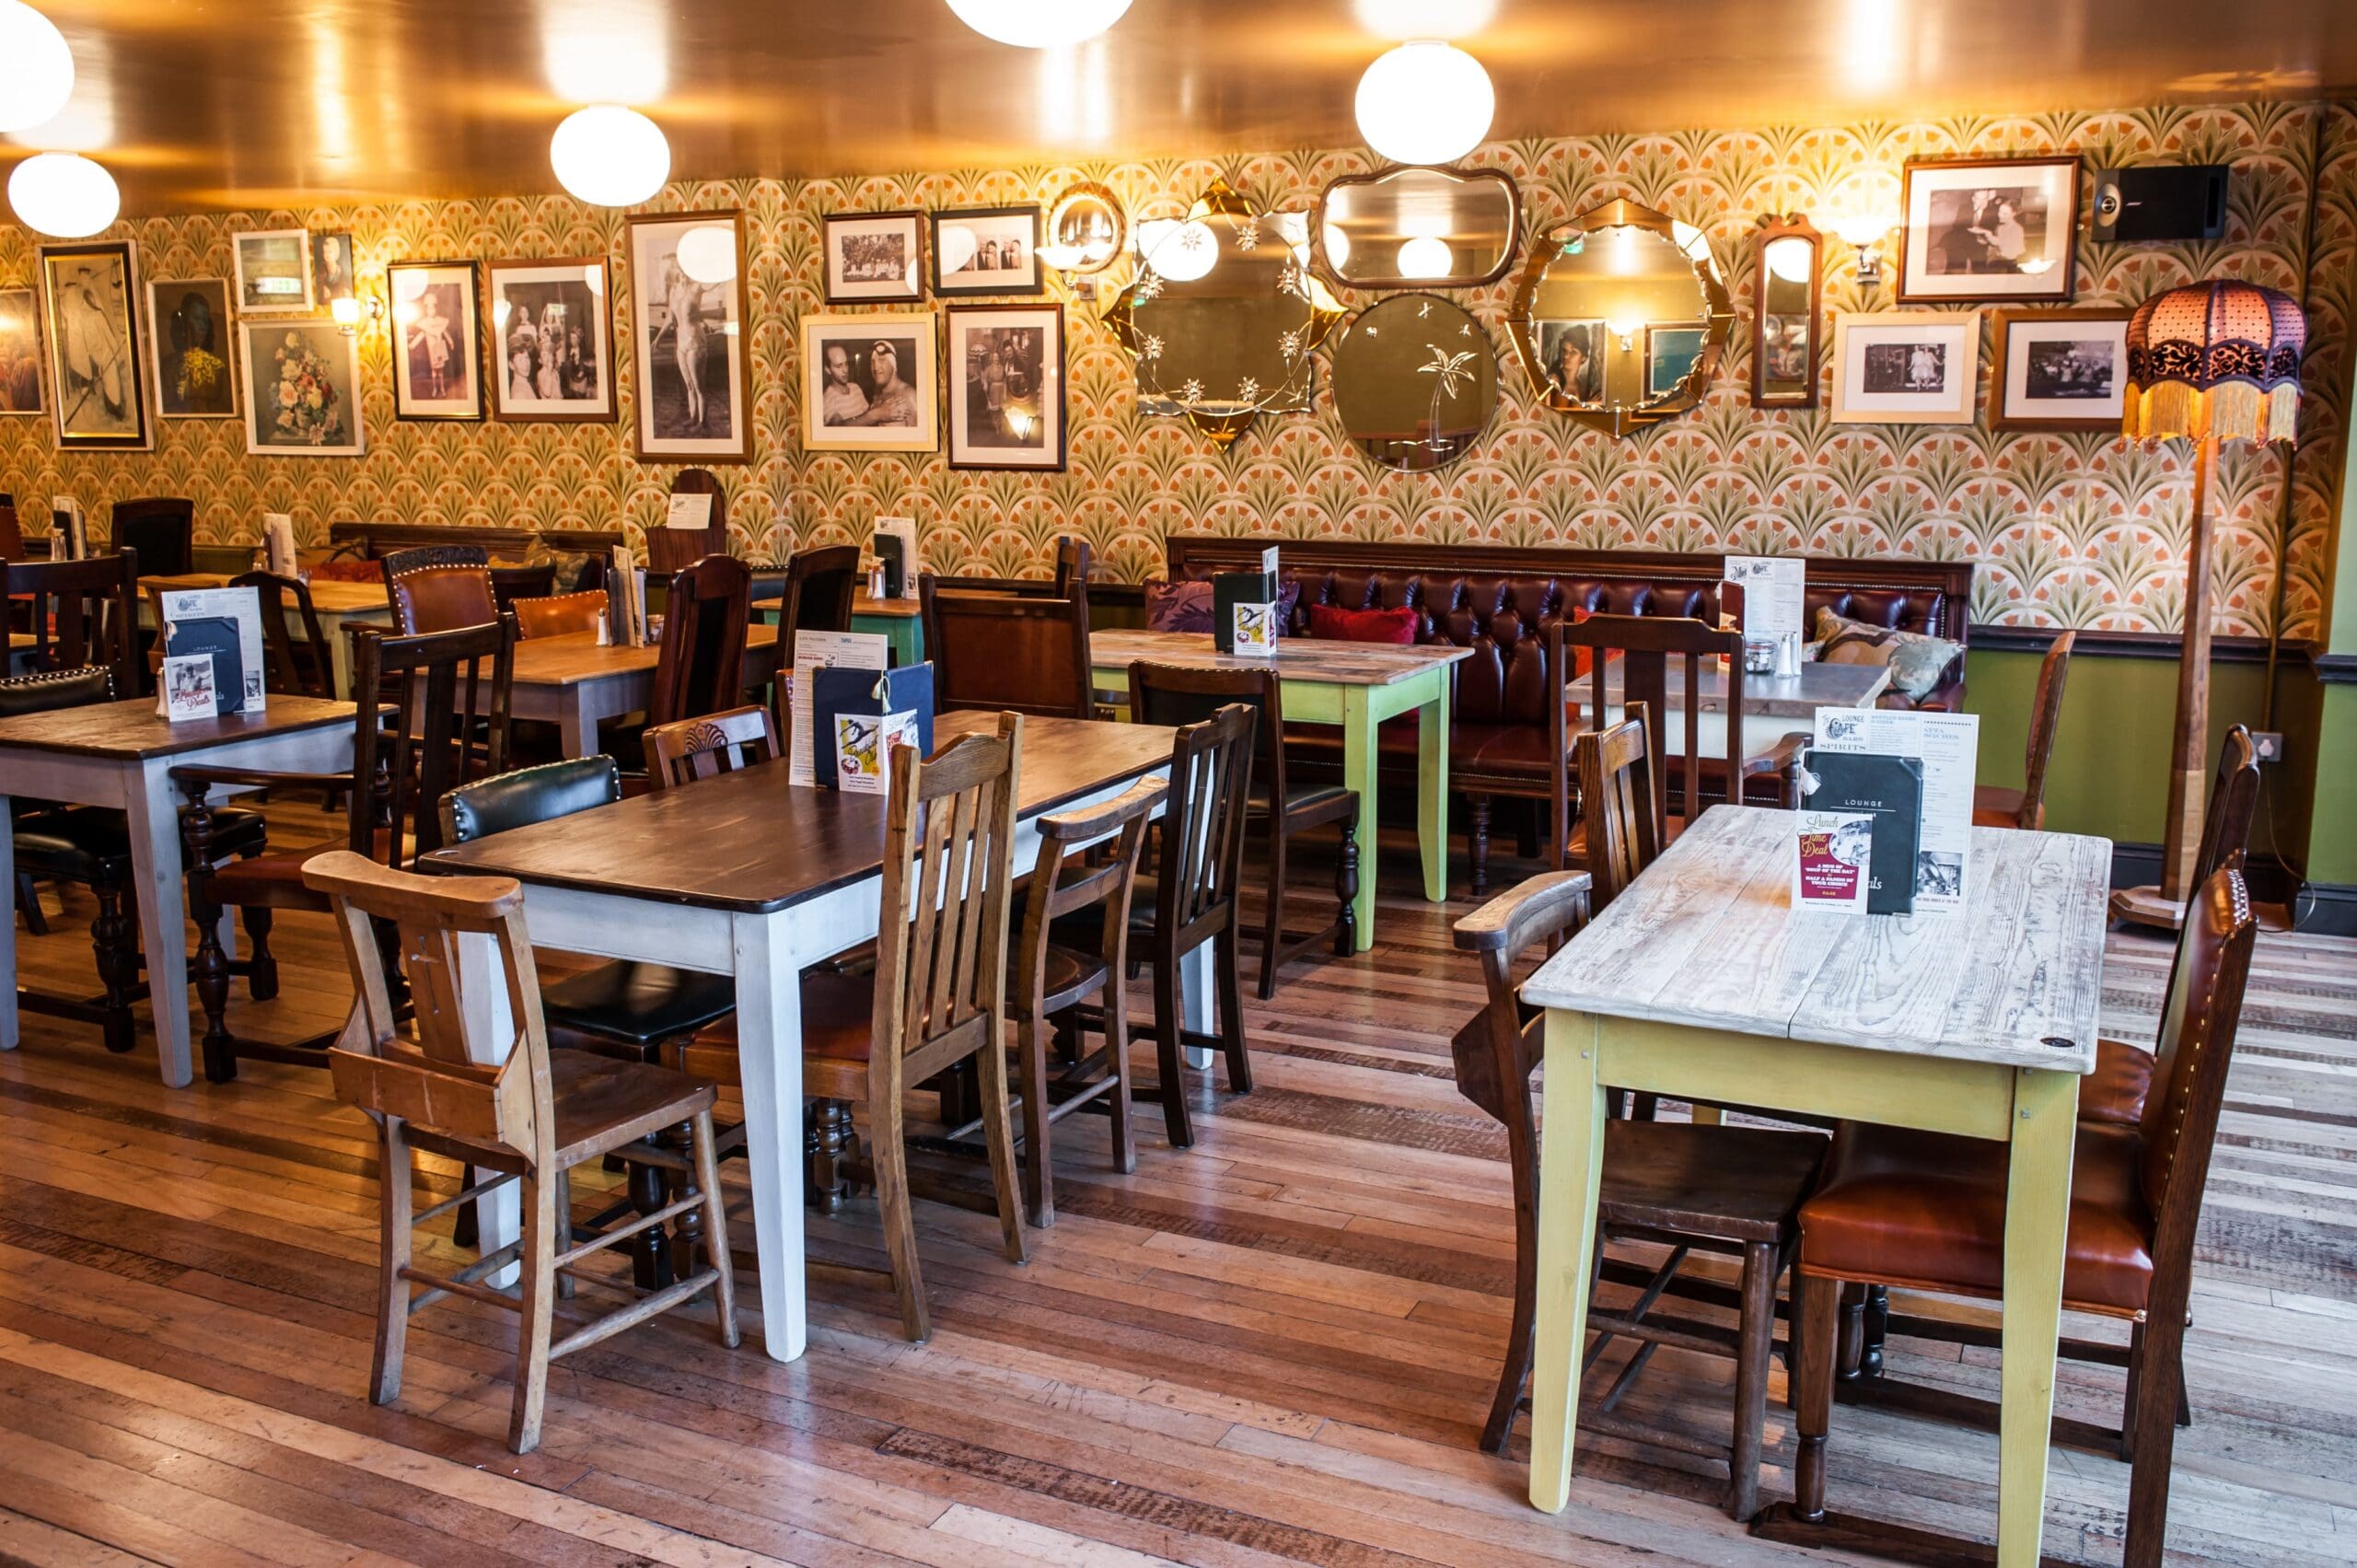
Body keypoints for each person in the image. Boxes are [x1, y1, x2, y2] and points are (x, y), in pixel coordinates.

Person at [852, 339, 917, 426]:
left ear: (893, 364)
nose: (875, 367)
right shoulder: (876, 396)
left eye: (882, 360)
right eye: (872, 362)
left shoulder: (909, 395)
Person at [409, 286, 455, 399]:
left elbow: (445, 332)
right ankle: (435, 388)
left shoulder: (440, 321)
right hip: (431, 349)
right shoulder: (424, 323)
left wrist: (451, 341)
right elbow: (421, 335)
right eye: (429, 308)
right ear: (426, 310)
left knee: (441, 371)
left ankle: (442, 388)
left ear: (436, 308)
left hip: (439, 348)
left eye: (433, 308)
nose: (431, 310)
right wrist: (412, 344)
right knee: (434, 371)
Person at [820, 341, 869, 425]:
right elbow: (839, 429)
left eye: (846, 364)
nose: (845, 370)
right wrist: (873, 415)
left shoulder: (855, 387)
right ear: (828, 369)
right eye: (839, 366)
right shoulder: (828, 399)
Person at [1549, 325, 1600, 403]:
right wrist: (1589, 406)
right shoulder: (1555, 379)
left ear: (1584, 357)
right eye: (1564, 350)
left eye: (1573, 352)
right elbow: (1557, 412)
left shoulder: (1583, 385)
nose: (1566, 356)